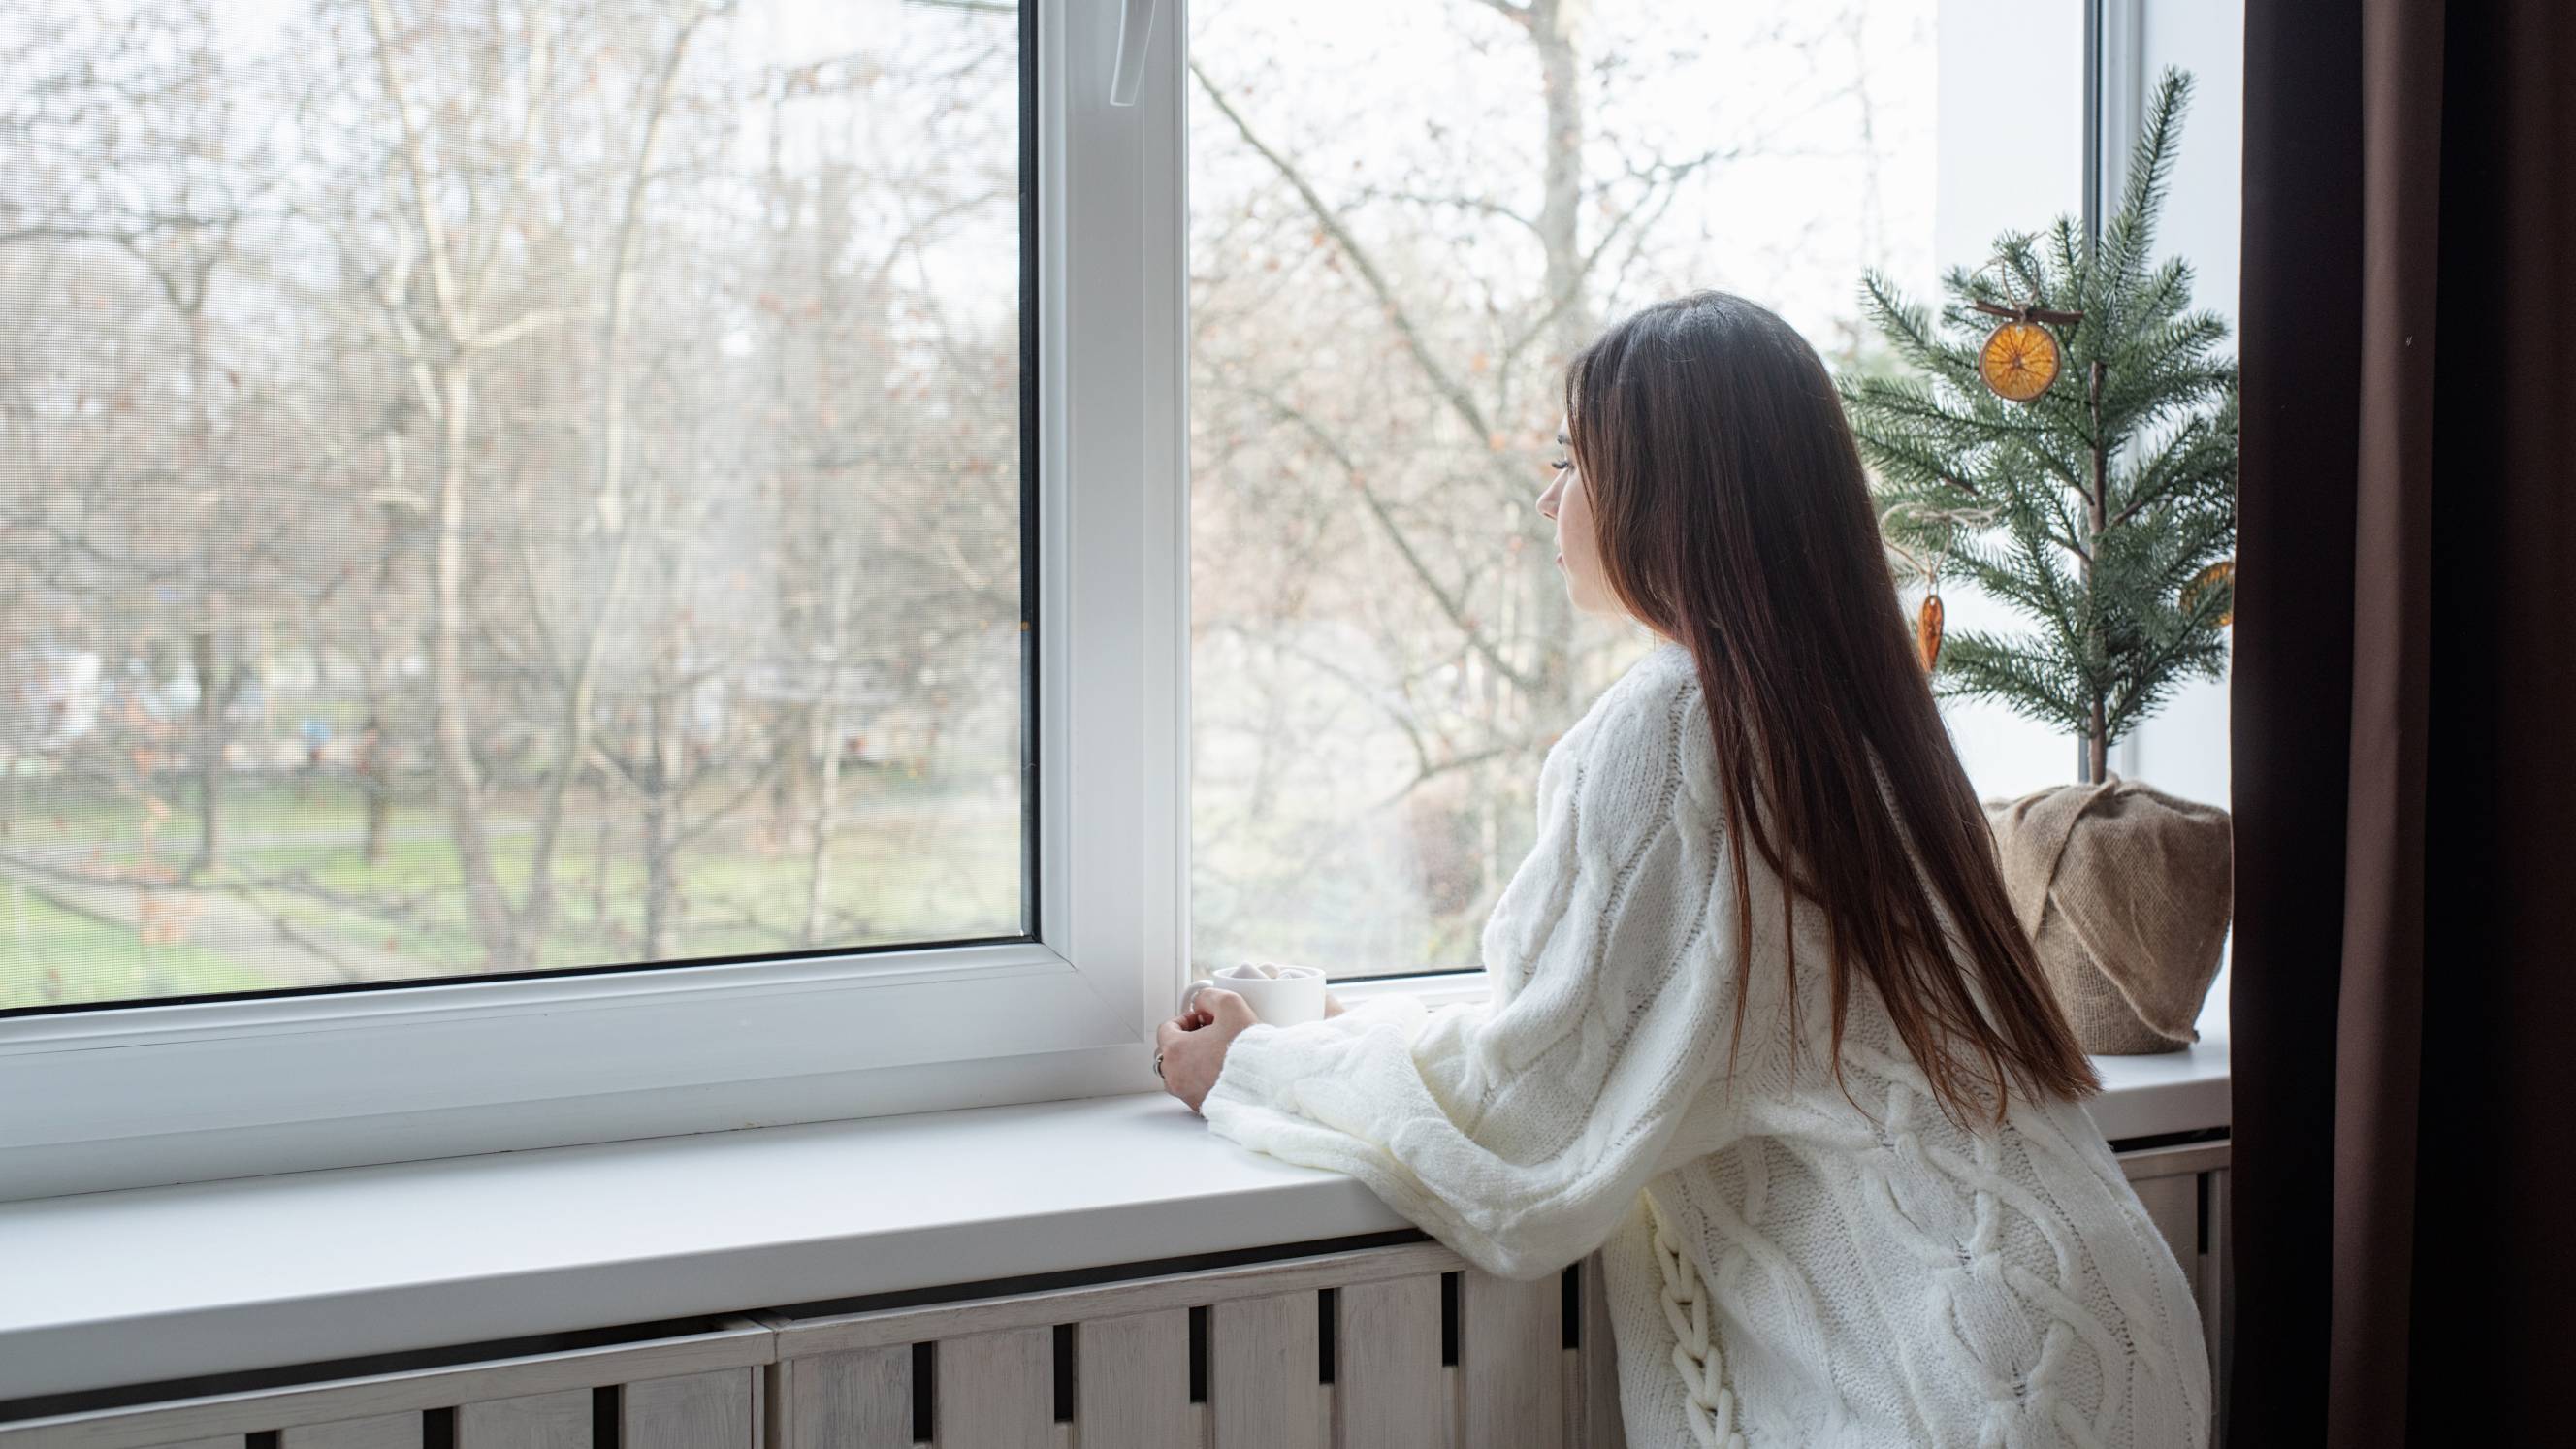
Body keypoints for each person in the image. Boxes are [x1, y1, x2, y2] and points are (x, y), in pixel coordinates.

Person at [1155, 293, 2210, 1447]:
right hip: (2104, 1323)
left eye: (1571, 459)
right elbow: (1649, 1008)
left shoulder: (1674, 721)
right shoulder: (1861, 714)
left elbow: (1528, 1102)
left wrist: (1253, 1065)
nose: (1547, 497)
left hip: (1949, 1381)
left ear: (1672, 486)